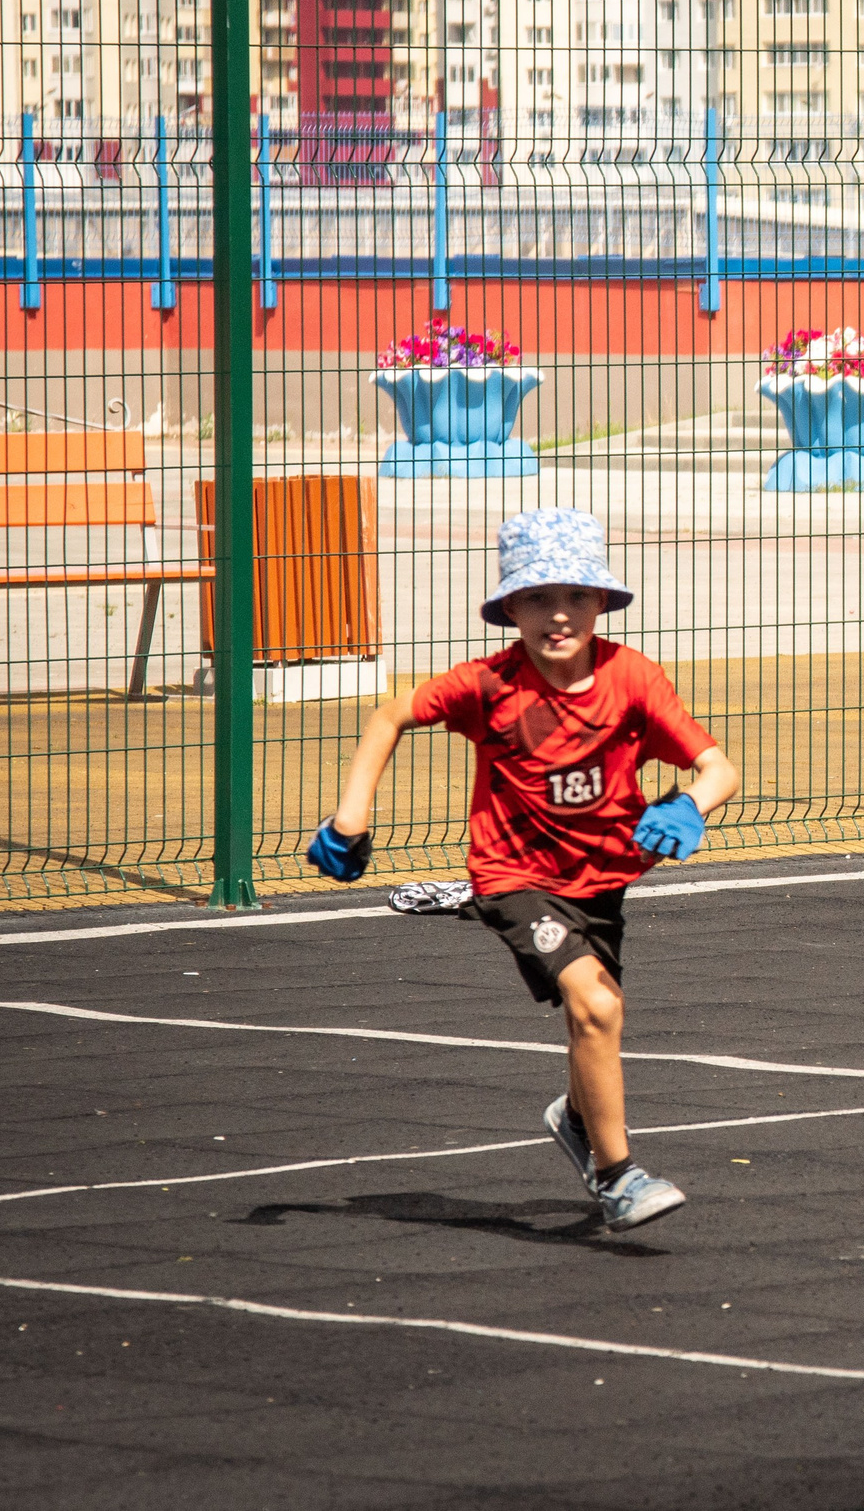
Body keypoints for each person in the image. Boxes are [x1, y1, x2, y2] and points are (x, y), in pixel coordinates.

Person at [304, 507, 739, 1232]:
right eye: (537, 597)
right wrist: (350, 816)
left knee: (597, 1018)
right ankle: (617, 1175)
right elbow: (388, 718)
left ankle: (577, 1117)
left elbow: (719, 767)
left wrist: (691, 806)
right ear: (510, 607)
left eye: (574, 595)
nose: (558, 614)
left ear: (602, 600)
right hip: (512, 875)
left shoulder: (633, 679)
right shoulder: (487, 685)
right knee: (595, 1005)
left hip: (602, 881)